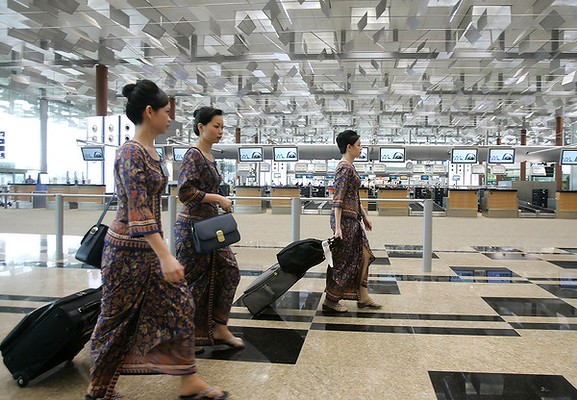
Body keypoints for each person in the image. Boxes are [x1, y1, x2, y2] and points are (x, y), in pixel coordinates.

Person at [86, 81, 228, 400]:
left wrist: (160, 253)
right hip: (125, 252)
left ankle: (188, 379)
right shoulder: (129, 152)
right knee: (114, 318)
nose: (169, 118)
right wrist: (166, 255)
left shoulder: (151, 151)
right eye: (165, 111)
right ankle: (98, 388)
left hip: (150, 250)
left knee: (180, 304)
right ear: (149, 112)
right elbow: (137, 210)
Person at [174, 106, 244, 350]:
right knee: (195, 282)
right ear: (201, 127)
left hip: (210, 226)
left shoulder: (210, 156)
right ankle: (190, 334)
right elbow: (185, 191)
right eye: (216, 126)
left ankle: (219, 326)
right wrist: (217, 199)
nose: (221, 131)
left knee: (229, 271)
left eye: (223, 127)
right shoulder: (193, 155)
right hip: (193, 227)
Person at [323, 129, 382, 313]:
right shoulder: (344, 168)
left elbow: (354, 196)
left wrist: (364, 216)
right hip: (344, 222)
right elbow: (338, 198)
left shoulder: (350, 167)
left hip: (352, 219)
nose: (361, 148)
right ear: (349, 147)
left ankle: (363, 297)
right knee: (343, 261)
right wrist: (338, 228)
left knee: (364, 255)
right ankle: (330, 301)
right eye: (359, 145)